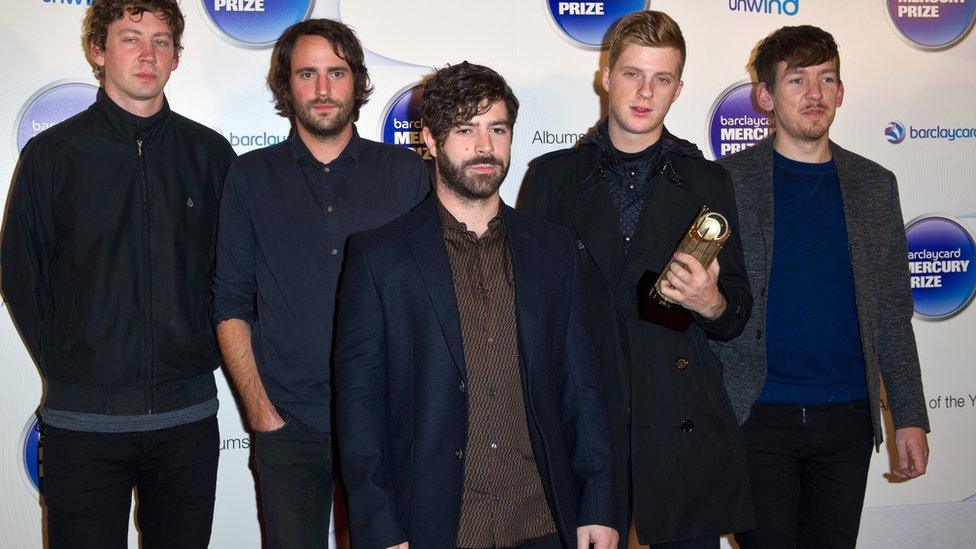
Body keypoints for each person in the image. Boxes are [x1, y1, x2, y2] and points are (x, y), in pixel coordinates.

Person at [335, 61, 617, 549]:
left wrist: (598, 504)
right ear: (429, 138)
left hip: (542, 522)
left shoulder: (555, 250)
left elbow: (583, 390)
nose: (485, 147)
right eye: (465, 129)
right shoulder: (379, 257)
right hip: (434, 526)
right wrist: (380, 527)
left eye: (497, 129)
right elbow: (360, 409)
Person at [0, 1, 235, 547]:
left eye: (161, 40)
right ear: (97, 52)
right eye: (130, 38)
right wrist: (73, 362)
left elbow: (233, 277)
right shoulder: (51, 155)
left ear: (177, 57)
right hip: (83, 426)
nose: (147, 54)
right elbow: (20, 274)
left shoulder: (211, 155)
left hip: (186, 421)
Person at [520, 10, 754, 548]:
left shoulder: (707, 180)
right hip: (584, 415)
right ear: (606, 76)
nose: (645, 91)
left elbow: (737, 314)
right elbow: (530, 311)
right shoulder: (552, 177)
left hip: (679, 419)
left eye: (662, 78)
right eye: (632, 73)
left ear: (678, 89)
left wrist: (710, 300)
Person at [210, 18, 429, 549]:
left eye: (337, 72)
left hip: (390, 423)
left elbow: (437, 296)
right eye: (308, 74)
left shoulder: (407, 173)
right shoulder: (250, 177)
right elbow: (230, 303)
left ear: (357, 81)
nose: (324, 89)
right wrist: (261, 414)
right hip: (290, 426)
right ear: (287, 86)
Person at [714, 25, 930, 549]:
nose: (814, 94)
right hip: (756, 416)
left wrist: (909, 416)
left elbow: (891, 311)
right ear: (765, 95)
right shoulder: (726, 181)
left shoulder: (875, 186)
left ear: (840, 91)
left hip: (847, 419)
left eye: (826, 78)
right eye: (796, 80)